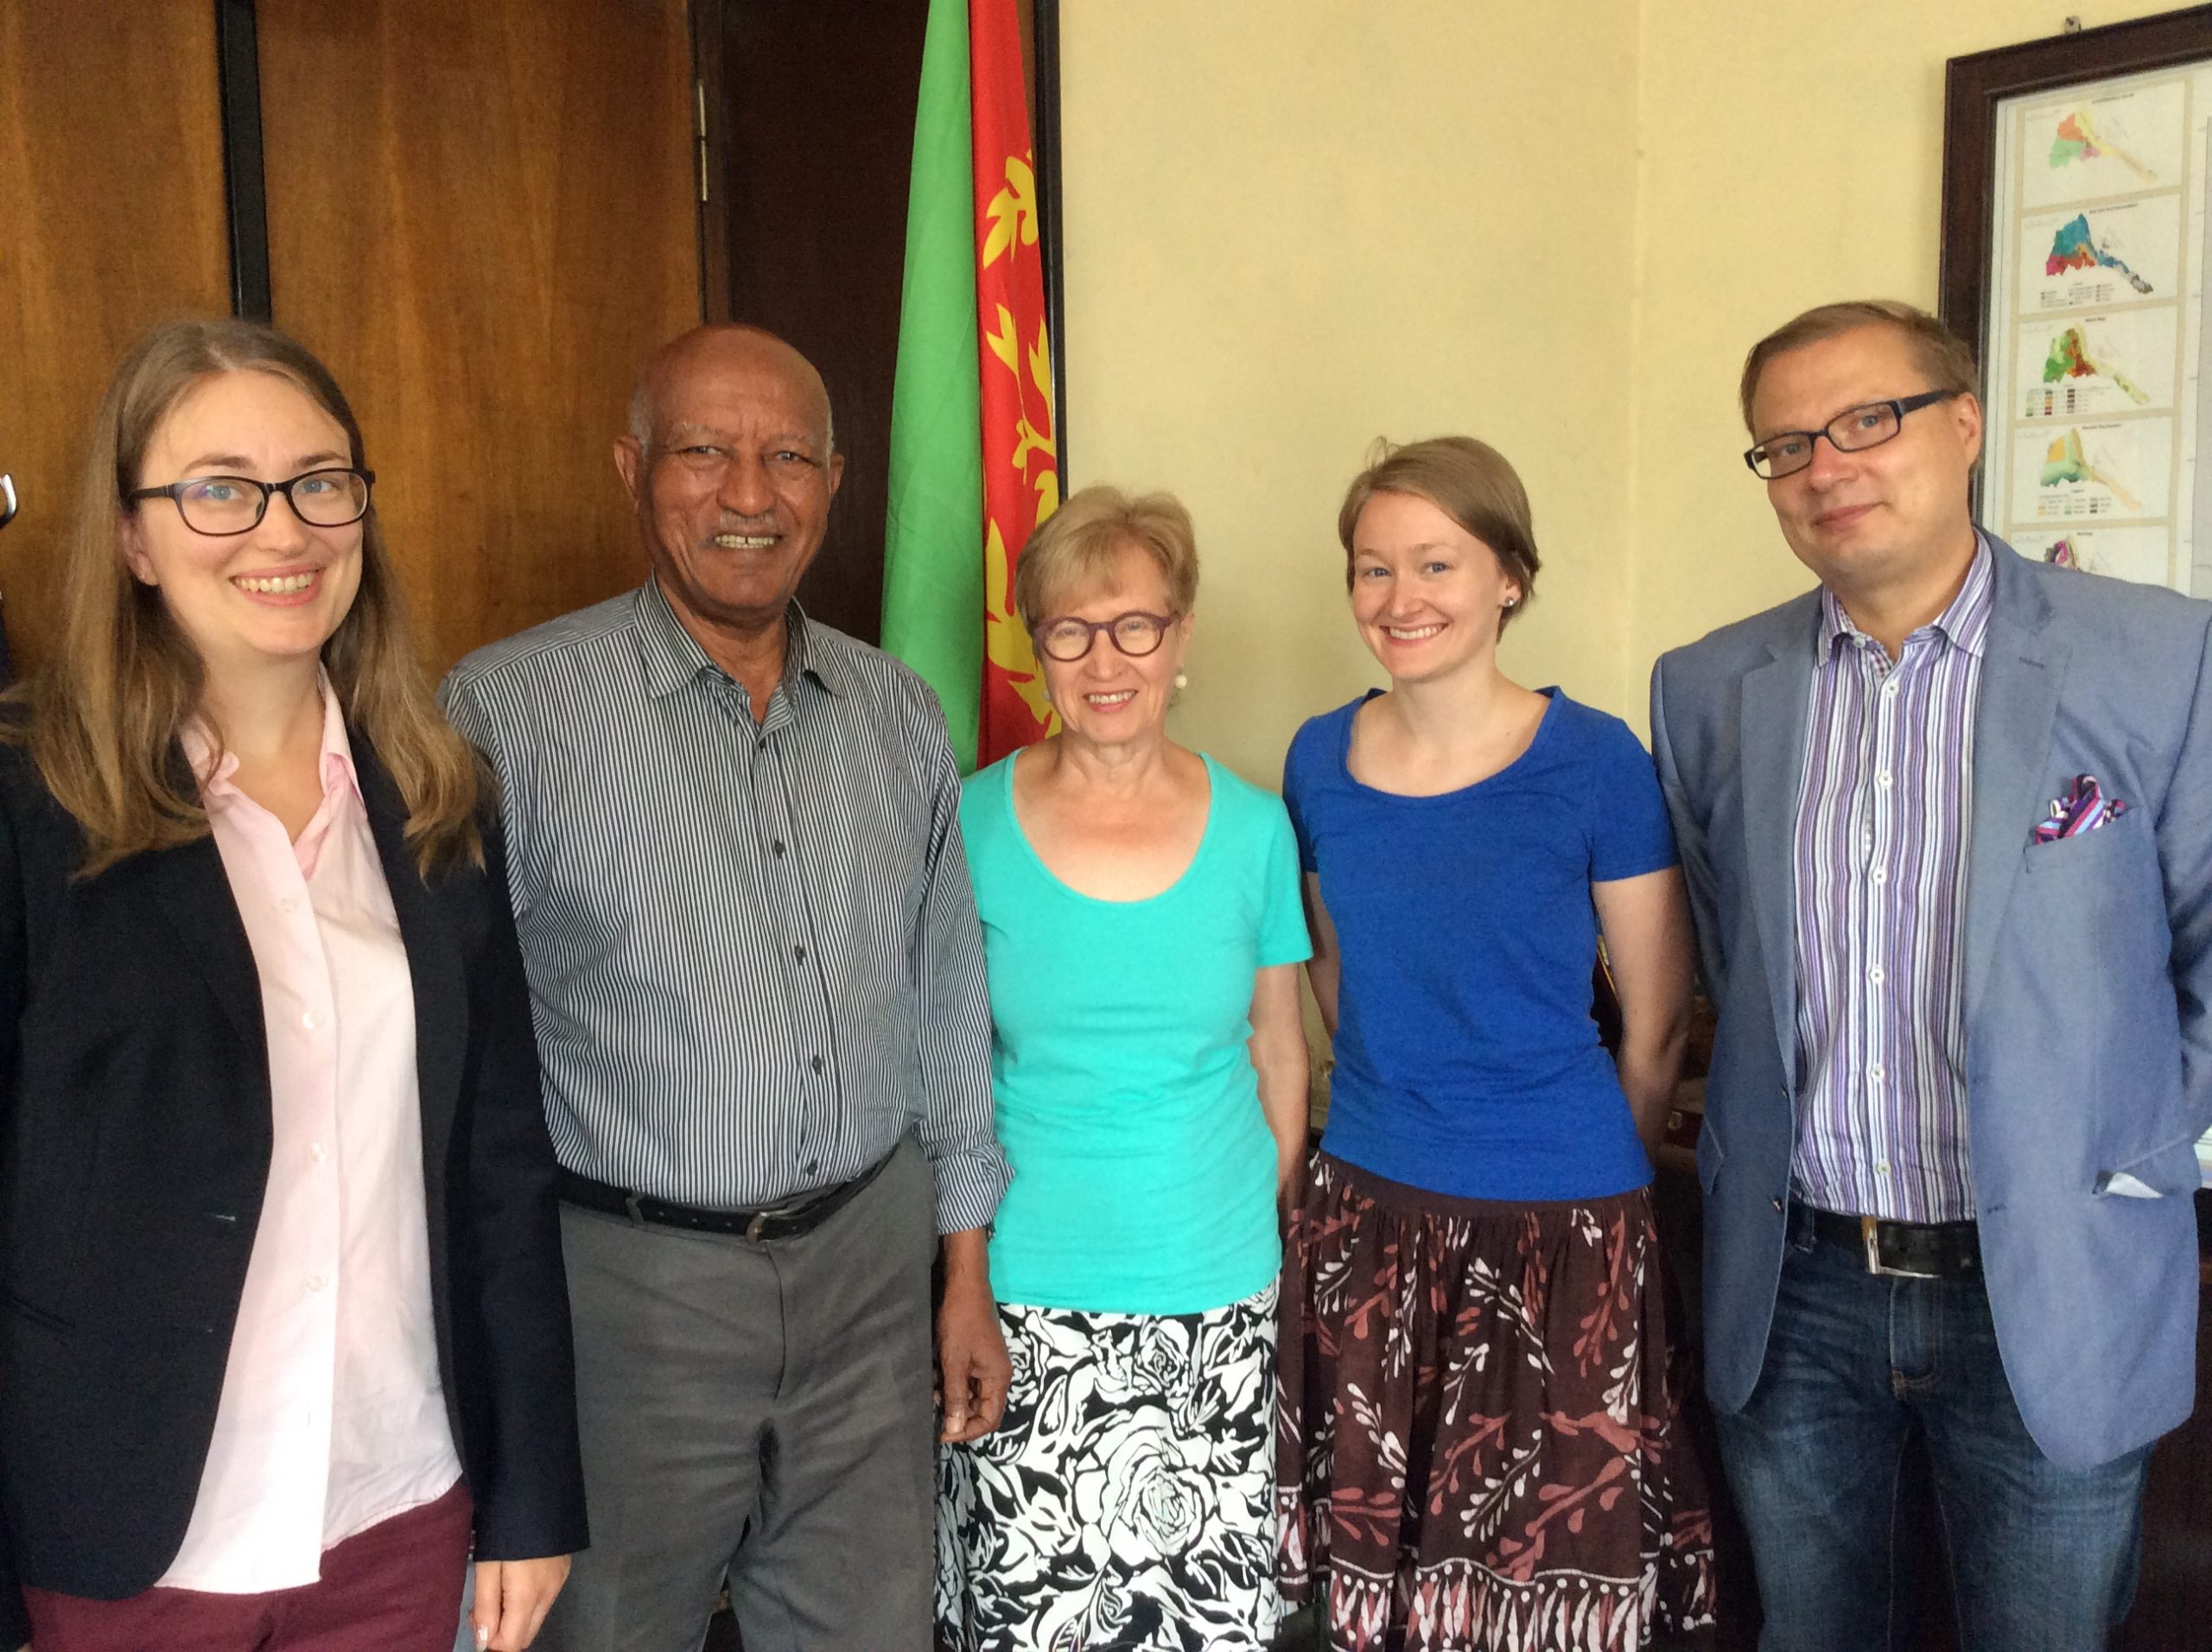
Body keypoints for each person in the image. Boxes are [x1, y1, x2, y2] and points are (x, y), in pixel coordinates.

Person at [0, 318, 583, 1652]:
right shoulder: (29, 799)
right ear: (135, 539)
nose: (284, 529)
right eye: (220, 488)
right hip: (126, 1538)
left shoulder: (438, 798)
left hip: (395, 1507)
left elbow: (500, 1171)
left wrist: (533, 1493)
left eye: (321, 482)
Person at [1649, 299, 2212, 1652]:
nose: (1825, 465)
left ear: (1963, 425)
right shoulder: (1708, 685)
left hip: (2057, 1275)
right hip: (1798, 1291)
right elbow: (1734, 955)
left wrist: (2149, 1156)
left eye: (1865, 421)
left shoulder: (2163, 654)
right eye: (1784, 445)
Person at [441, 323, 1010, 1652]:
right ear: (632, 469)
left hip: (873, 1274)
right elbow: (451, 1056)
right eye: (704, 451)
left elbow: (945, 1001)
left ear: (835, 481)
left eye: (788, 457)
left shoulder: (896, 711)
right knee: (608, 1630)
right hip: (627, 1292)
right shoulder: (506, 712)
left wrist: (963, 1271)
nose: (749, 495)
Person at [1278, 436, 1715, 1650]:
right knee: (1384, 1572)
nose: (1401, 600)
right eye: (1374, 570)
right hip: (1365, 1205)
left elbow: (1657, 1017)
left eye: (1436, 565)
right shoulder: (1319, 757)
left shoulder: (1595, 761)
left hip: (1562, 1228)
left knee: (1540, 1582)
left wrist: (1583, 1179)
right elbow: (1332, 973)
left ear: (1510, 577)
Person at [933, 486, 1310, 1650]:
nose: (1106, 659)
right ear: (1034, 645)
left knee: (1196, 1622)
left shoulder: (1255, 829)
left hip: (1213, 1288)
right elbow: (945, 1068)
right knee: (1031, 1621)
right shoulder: (966, 821)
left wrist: (1255, 1211)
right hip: (1025, 1296)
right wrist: (964, 1275)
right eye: (1071, 630)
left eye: (1135, 625)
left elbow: (1279, 1048)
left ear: (1180, 637)